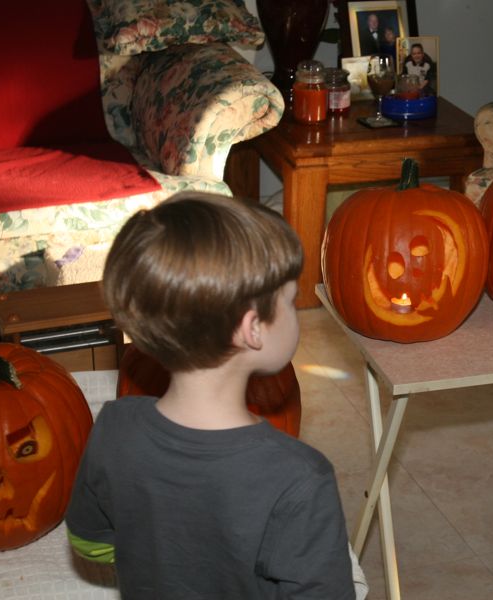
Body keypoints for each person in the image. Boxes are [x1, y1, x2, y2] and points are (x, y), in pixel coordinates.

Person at [65, 193, 368, 599]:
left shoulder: (113, 426)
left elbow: (91, 543)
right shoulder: (299, 477)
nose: (296, 312)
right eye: (291, 301)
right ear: (252, 328)